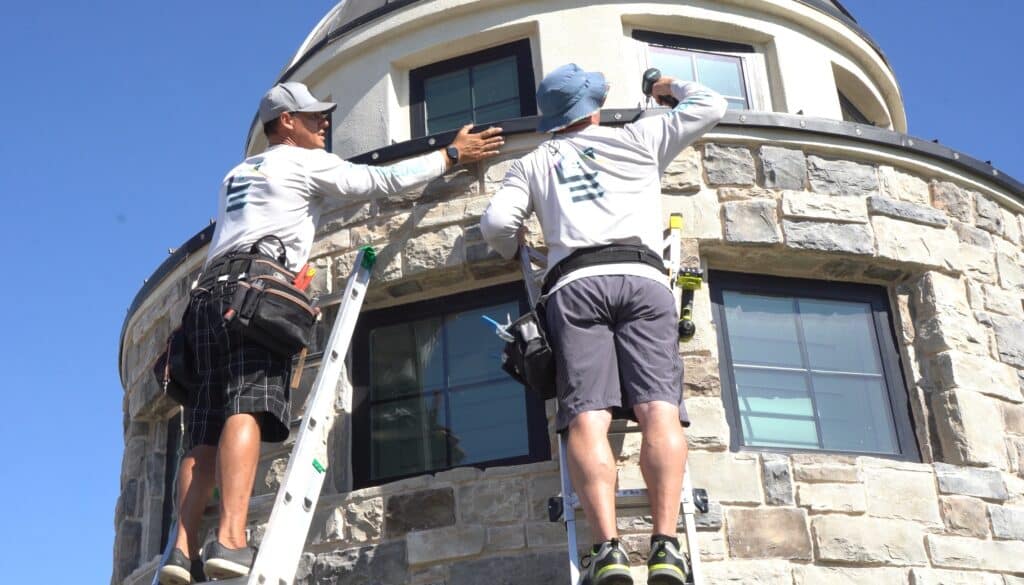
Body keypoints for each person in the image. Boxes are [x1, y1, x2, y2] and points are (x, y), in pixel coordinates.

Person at [158, 81, 504, 584]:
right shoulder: (301, 162)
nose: (324, 123)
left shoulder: (236, 173)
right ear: (284, 125)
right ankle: (230, 541)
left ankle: (180, 551)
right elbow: (380, 182)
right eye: (311, 116)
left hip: (207, 301)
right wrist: (449, 154)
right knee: (246, 408)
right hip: (256, 295)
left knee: (203, 437)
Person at [480, 63, 726, 585]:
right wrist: (664, 90)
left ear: (551, 116)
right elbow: (711, 106)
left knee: (588, 416)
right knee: (658, 409)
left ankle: (608, 550)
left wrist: (514, 247)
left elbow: (498, 225)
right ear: (593, 106)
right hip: (642, 278)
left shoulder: (533, 162)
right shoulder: (639, 136)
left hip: (575, 286)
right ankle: (665, 546)